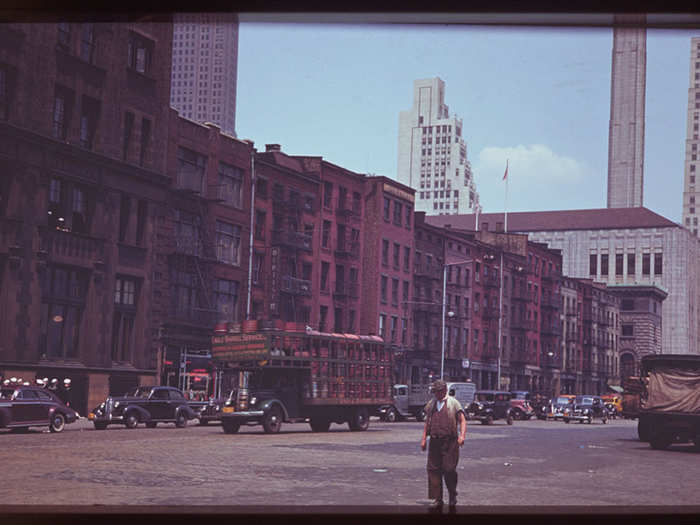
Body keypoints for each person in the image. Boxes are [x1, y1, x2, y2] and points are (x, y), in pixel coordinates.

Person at [420, 379, 467, 511]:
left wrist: (462, 436)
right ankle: (438, 498)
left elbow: (462, 420)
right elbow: (427, 422)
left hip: (450, 442)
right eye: (435, 392)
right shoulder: (432, 403)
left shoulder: (453, 403)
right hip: (435, 441)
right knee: (433, 470)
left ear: (445, 390)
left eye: (438, 391)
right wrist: (424, 439)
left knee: (449, 470)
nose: (436, 394)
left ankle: (452, 495)